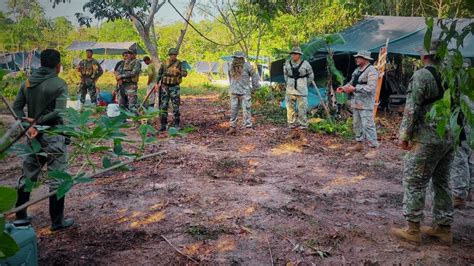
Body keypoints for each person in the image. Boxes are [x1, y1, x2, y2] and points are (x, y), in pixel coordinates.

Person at [390, 40, 455, 245]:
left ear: (424, 56)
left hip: (426, 138)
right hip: (448, 137)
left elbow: (412, 109)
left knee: (414, 181)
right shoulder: (453, 76)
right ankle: (443, 228)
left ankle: (413, 229)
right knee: (442, 182)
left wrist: (404, 136)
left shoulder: (421, 76)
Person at [12, 49, 74, 231]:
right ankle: (57, 221)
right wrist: (39, 121)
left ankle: (21, 216)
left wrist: (28, 126)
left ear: (40, 64)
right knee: (57, 178)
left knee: (28, 175)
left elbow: (16, 108)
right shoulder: (59, 83)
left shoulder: (28, 82)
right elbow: (60, 112)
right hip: (54, 135)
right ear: (58, 66)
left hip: (32, 136)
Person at [337, 50, 379, 159]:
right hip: (356, 102)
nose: (356, 59)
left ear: (365, 59)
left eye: (359, 57)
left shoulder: (372, 71)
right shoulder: (357, 70)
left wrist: (355, 88)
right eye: (356, 57)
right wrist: (344, 88)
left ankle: (373, 148)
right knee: (357, 124)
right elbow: (352, 82)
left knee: (368, 125)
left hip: (366, 103)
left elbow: (371, 88)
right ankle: (359, 144)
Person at [226, 51, 260, 135]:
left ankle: (248, 127)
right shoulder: (230, 66)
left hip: (245, 91)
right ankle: (232, 127)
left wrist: (255, 87)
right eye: (236, 58)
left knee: (247, 109)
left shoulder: (247, 66)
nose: (237, 60)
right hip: (234, 91)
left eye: (239, 58)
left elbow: (254, 76)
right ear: (234, 58)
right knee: (233, 109)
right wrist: (231, 87)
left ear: (242, 58)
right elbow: (230, 78)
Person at [283, 47, 314, 133]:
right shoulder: (287, 63)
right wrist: (289, 83)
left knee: (302, 107)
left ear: (300, 55)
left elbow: (311, 75)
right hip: (290, 88)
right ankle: (291, 123)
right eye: (292, 54)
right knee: (290, 106)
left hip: (302, 89)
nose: (293, 55)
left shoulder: (305, 64)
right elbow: (285, 74)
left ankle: (303, 124)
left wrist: (305, 84)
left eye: (296, 54)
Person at [157, 48, 188, 131]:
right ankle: (163, 124)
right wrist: (157, 83)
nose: (173, 56)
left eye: (174, 55)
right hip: (164, 87)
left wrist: (178, 71)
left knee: (175, 106)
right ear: (169, 55)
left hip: (174, 87)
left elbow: (185, 74)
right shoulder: (164, 63)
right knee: (163, 106)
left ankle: (176, 124)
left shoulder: (180, 64)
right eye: (171, 55)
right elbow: (159, 74)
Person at [116, 48, 141, 113]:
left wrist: (121, 76)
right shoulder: (124, 62)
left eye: (131, 53)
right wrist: (118, 78)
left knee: (132, 105)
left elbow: (134, 73)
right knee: (121, 103)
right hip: (122, 85)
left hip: (131, 85)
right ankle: (123, 119)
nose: (129, 55)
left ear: (135, 54)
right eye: (129, 53)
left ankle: (135, 120)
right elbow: (117, 71)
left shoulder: (137, 62)